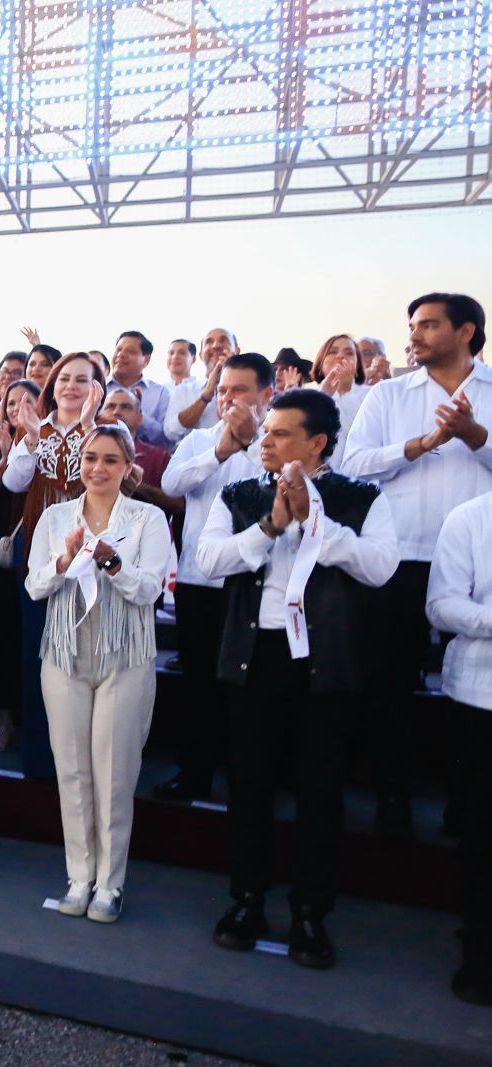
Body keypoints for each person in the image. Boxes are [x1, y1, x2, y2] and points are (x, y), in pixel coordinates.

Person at [199, 389, 398, 970]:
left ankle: (311, 912)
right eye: (265, 431)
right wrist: (270, 526)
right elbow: (208, 562)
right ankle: (247, 899)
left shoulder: (361, 498)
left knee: (319, 791)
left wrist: (317, 524)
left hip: (324, 660)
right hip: (256, 655)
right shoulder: (241, 495)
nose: (265, 441)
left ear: (317, 443)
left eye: (280, 433)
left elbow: (380, 568)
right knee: (250, 784)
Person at [342, 292, 491, 841]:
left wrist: (476, 438)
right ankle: (393, 797)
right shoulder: (388, 395)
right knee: (390, 683)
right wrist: (420, 444)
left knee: (475, 688)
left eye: (428, 324)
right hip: (400, 556)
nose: (415, 334)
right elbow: (353, 464)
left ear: (466, 331)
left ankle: (466, 801)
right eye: (412, 325)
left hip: (479, 563)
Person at [27, 424, 171, 922]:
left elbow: (150, 589)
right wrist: (64, 560)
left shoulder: (148, 519)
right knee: (71, 770)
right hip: (65, 653)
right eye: (90, 458)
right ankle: (79, 876)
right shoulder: (55, 516)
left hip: (124, 656)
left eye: (110, 459)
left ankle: (110, 883)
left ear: (128, 467)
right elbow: (34, 585)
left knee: (114, 775)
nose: (98, 468)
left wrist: (112, 564)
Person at [150, 353, 275, 803]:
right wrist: (221, 450)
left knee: (251, 687)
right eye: (222, 390)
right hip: (200, 581)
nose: (227, 399)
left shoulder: (277, 440)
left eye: (239, 390)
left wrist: (250, 442)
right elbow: (172, 484)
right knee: (199, 682)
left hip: (258, 582)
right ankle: (195, 773)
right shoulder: (199, 440)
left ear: (266, 394)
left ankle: (250, 780)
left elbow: (282, 487)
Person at [0, 351, 107, 780]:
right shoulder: (35, 427)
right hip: (40, 551)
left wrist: (89, 425)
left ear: (97, 388)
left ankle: (83, 760)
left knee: (84, 652)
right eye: (64, 378)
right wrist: (29, 439)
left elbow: (103, 477)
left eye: (82, 379)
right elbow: (13, 482)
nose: (71, 386)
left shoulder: (108, 432)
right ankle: (40, 761)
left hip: (91, 552)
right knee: (38, 650)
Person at [426, 490, 492, 1004]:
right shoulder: (470, 517)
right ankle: (481, 951)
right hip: (480, 697)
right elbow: (441, 605)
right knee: (482, 836)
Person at [0, 378, 41, 752]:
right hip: (0, 555)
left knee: (34, 639)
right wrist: (3, 460)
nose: (19, 409)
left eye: (28, 402)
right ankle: (3, 721)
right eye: (12, 402)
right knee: (3, 639)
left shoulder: (50, 442)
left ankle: (35, 723)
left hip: (40, 552)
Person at [99, 387, 180, 514]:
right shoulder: (85, 454)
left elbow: (178, 504)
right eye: (110, 407)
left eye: (126, 407)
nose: (116, 412)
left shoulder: (159, 457)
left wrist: (132, 485)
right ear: (99, 416)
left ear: (139, 418)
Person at [165, 328, 239, 443]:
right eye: (209, 342)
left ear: (237, 351)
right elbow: (171, 431)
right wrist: (207, 394)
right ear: (200, 355)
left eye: (223, 340)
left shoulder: (252, 387)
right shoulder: (183, 391)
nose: (216, 346)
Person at [310, 334, 369, 468]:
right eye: (332, 352)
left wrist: (345, 392)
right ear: (321, 361)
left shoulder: (371, 393)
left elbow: (363, 434)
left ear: (358, 364)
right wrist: (322, 397)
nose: (340, 356)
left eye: (349, 353)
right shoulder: (309, 396)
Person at [107, 331, 169, 447]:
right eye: (118, 350)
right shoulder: (97, 388)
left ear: (146, 360)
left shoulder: (160, 392)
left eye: (130, 351)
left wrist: (137, 413)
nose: (121, 354)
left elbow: (164, 438)